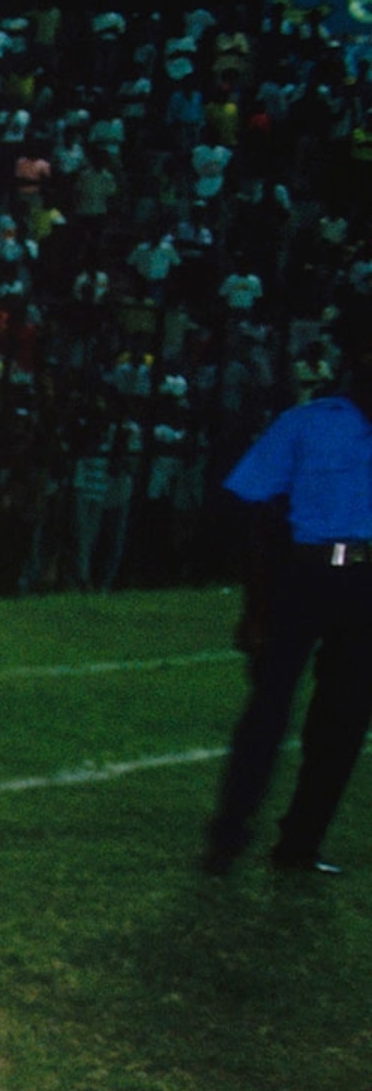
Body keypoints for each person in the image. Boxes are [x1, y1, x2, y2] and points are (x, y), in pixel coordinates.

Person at [205, 306, 371, 875]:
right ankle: (228, 834)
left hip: (364, 584)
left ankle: (301, 843)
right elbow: (255, 515)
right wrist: (255, 606)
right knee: (268, 710)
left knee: (345, 718)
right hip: (300, 575)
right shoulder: (307, 423)